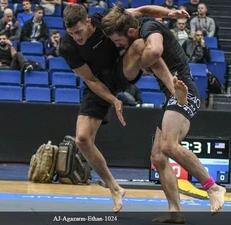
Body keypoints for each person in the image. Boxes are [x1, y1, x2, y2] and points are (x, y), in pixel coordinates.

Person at [59, 3, 189, 213]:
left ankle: (173, 89)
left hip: (122, 69)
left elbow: (144, 11)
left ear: (89, 22)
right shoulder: (67, 46)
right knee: (82, 139)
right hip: (100, 83)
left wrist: (170, 14)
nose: (76, 37)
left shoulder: (104, 20)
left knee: (139, 45)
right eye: (71, 33)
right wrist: (114, 100)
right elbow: (90, 80)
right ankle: (115, 188)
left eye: (79, 31)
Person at [101, 4, 226, 221]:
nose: (117, 45)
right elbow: (144, 8)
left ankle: (212, 187)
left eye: (117, 40)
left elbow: (156, 50)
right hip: (171, 96)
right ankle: (175, 212)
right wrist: (169, 13)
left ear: (129, 32)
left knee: (168, 146)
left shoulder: (149, 29)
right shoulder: (126, 20)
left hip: (185, 92)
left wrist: (141, 64)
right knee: (158, 157)